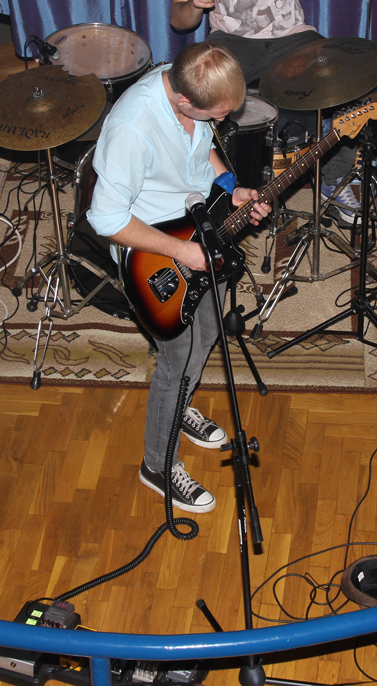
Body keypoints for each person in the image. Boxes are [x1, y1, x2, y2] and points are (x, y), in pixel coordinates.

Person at [86, 43, 270, 513]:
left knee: (207, 333)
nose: (223, 120)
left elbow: (204, 152)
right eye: (217, 114)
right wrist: (181, 251)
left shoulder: (189, 81)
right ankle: (158, 465)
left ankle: (179, 406)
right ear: (183, 100)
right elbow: (106, 220)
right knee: (177, 358)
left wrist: (232, 190)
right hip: (156, 255)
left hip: (200, 232)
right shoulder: (132, 128)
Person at [171, 0, 360, 224]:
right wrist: (195, 4)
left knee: (349, 84)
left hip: (292, 36)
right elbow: (179, 20)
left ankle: (333, 179)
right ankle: (209, 182)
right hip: (232, 41)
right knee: (192, 89)